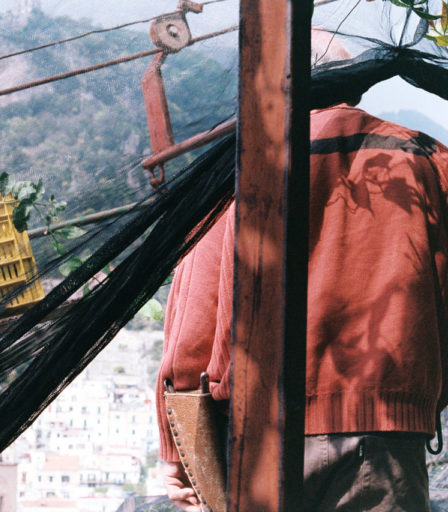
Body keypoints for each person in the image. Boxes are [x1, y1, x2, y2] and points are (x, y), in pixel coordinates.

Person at [156, 102, 448, 511]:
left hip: (257, 438)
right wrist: (417, 405)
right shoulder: (425, 159)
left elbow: (195, 319)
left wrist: (178, 448)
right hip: (384, 434)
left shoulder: (243, 163)